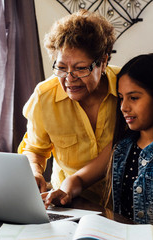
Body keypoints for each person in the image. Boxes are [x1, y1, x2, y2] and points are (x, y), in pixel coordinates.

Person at [43, 53, 153, 239]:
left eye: (134, 98)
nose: (123, 107)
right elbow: (78, 179)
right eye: (121, 98)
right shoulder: (121, 147)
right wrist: (64, 191)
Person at [18, 9, 119, 205]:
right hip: (68, 202)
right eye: (62, 68)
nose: (70, 79)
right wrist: (35, 172)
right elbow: (35, 149)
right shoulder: (45, 96)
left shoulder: (127, 89)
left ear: (103, 61)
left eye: (81, 68)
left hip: (122, 203)